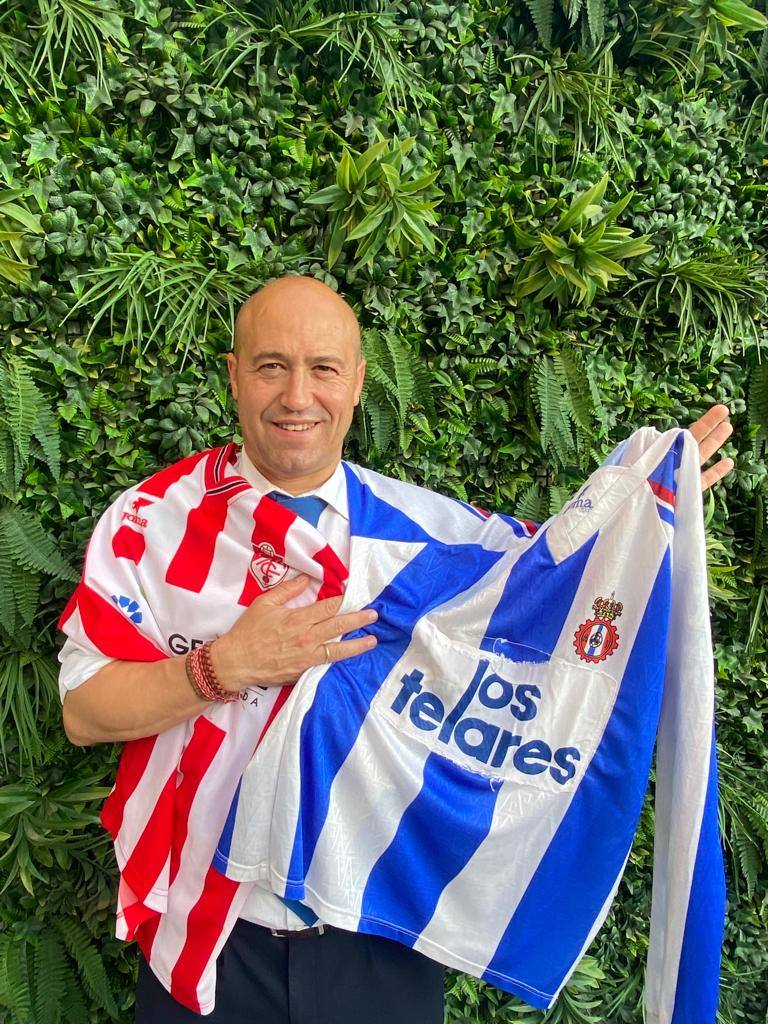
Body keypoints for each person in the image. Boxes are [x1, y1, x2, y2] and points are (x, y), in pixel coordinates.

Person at [59, 275, 735, 1024]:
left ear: (355, 382)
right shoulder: (150, 523)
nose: (296, 396)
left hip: (377, 934)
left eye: (322, 368)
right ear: (234, 374)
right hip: (210, 936)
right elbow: (85, 714)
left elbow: (560, 586)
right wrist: (222, 667)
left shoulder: (438, 531)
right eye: (271, 365)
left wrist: (649, 511)